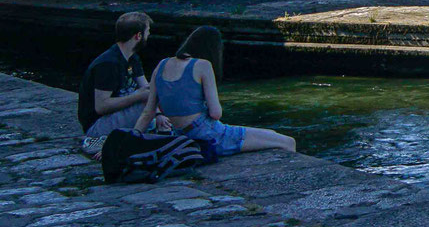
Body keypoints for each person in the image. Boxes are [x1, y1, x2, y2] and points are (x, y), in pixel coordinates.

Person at [131, 26, 296, 155]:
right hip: (211, 136)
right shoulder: (203, 65)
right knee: (287, 141)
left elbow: (148, 112)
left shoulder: (161, 65)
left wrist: (131, 139)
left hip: (180, 135)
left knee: (270, 133)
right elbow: (216, 113)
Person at [78, 11, 153, 149]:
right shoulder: (108, 64)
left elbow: (148, 89)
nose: (149, 36)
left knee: (160, 98)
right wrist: (137, 96)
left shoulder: (132, 58)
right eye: (148, 32)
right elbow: (101, 106)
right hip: (97, 127)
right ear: (138, 36)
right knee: (147, 104)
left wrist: (159, 114)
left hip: (119, 116)